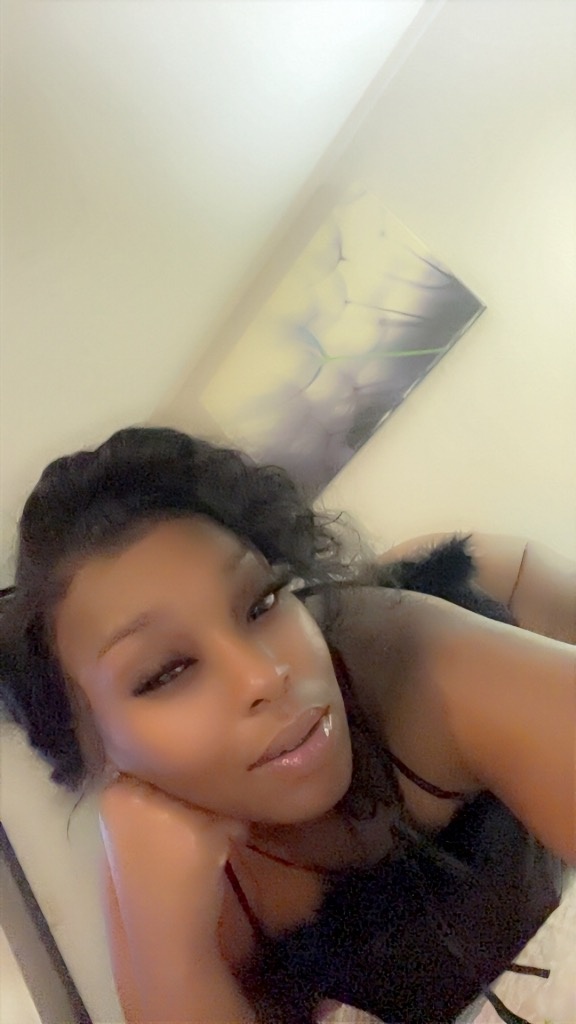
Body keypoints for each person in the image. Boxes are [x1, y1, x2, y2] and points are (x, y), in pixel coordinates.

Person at [0, 425, 574, 1024]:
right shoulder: (155, 882)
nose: (265, 674)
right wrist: (172, 955)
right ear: (98, 751)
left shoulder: (413, 659)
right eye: (167, 671)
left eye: (262, 601)